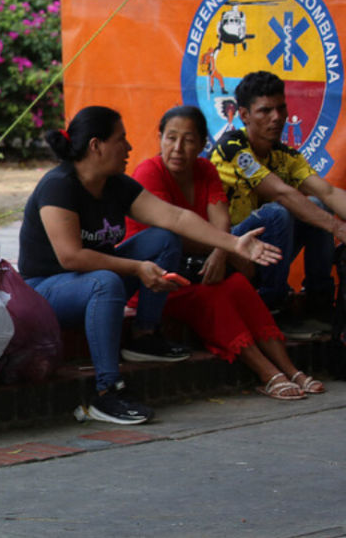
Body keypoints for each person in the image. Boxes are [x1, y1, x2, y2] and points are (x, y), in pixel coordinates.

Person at [19, 106, 281, 425]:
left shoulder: (115, 183)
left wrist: (231, 243)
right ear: (95, 146)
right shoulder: (59, 185)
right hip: (47, 291)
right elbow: (70, 257)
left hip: (92, 282)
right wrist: (135, 268)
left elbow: (176, 217)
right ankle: (107, 393)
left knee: (163, 238)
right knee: (107, 280)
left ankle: (145, 336)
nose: (129, 147)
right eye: (121, 139)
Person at [126, 106, 324, 398]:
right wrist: (227, 249)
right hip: (156, 280)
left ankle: (290, 369)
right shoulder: (149, 172)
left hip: (195, 270)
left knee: (238, 285)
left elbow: (221, 221)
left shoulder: (205, 169)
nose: (178, 148)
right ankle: (268, 374)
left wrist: (223, 250)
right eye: (170, 138)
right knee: (215, 295)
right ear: (160, 139)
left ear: (203, 144)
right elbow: (177, 232)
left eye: (189, 140)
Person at [210, 71, 346, 331]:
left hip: (262, 251)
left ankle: (319, 303)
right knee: (279, 212)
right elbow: (282, 193)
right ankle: (272, 305)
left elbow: (328, 192)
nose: (277, 117)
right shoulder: (232, 148)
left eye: (281, 108)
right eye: (265, 111)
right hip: (227, 250)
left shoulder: (284, 155)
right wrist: (338, 228)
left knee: (318, 205)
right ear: (244, 115)